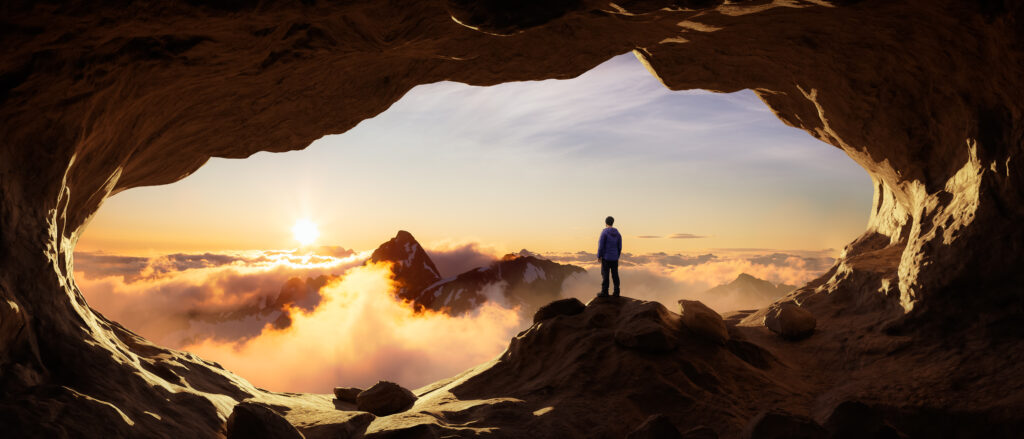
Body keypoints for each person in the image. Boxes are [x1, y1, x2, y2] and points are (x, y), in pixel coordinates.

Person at [597, 216, 622, 297]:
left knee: (605, 274)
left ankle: (605, 292)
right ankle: (616, 291)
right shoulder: (618, 234)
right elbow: (620, 246)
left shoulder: (604, 233)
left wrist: (599, 256)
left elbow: (601, 246)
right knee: (615, 275)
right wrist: (617, 255)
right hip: (614, 258)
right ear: (612, 222)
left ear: (606, 223)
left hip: (606, 258)